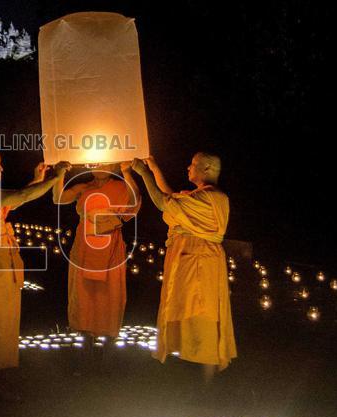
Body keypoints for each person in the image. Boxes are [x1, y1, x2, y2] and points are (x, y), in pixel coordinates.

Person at [129, 153, 236, 382]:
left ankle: (206, 378)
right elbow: (169, 197)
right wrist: (154, 167)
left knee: (202, 314)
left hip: (200, 262)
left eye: (193, 164)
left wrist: (143, 172)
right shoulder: (198, 197)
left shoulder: (211, 198)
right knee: (187, 311)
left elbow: (162, 202)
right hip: (192, 259)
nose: (188, 167)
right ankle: (193, 376)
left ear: (206, 168)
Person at [0, 151, 60, 400]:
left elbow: (15, 200)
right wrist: (55, 178)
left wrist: (37, 178)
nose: (2, 169)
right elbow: (20, 196)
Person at [53, 162, 141, 362]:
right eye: (95, 164)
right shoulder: (85, 187)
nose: (98, 167)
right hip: (84, 245)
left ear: (113, 168)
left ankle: (108, 350)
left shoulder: (120, 186)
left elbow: (135, 202)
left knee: (110, 295)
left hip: (110, 246)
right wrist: (59, 175)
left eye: (105, 165)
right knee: (84, 295)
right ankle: (85, 347)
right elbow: (59, 198)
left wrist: (127, 172)